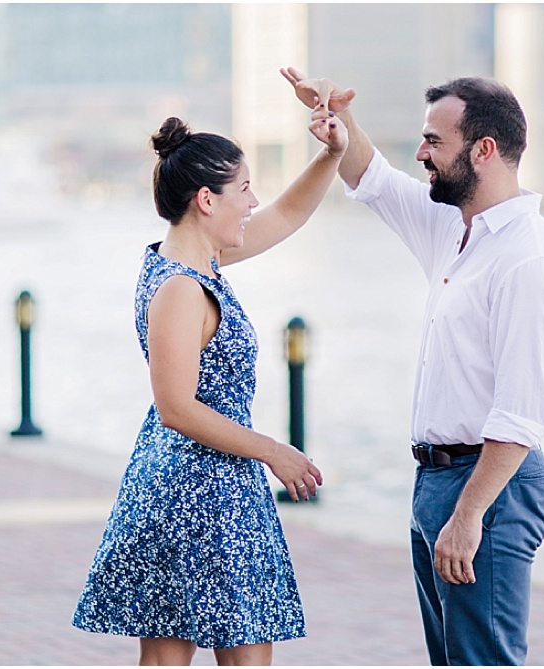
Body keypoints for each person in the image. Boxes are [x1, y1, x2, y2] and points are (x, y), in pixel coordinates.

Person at [281, 67, 544, 665]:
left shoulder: (529, 260)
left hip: (488, 487)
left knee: (483, 662)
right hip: (437, 481)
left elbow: (521, 413)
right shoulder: (456, 226)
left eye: (434, 142)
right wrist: (338, 123)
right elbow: (374, 179)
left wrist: (469, 515)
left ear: (485, 150)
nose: (420, 153)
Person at [72, 99, 347, 666]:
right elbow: (175, 406)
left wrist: (332, 153)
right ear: (205, 200)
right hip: (197, 493)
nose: (252, 203)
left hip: (205, 485)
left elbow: (289, 214)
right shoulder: (180, 287)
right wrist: (277, 453)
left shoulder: (199, 266)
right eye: (244, 189)